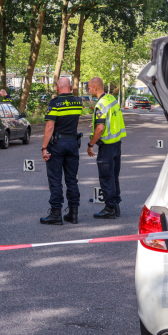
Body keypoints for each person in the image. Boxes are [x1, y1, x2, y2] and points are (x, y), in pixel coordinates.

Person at [40, 77, 83, 225]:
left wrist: (44, 147)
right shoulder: (78, 102)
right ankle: (73, 213)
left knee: (55, 179)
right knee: (72, 180)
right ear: (70, 88)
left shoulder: (55, 103)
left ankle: (56, 214)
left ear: (57, 88)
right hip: (73, 143)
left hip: (57, 144)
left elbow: (50, 127)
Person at [87, 76, 126, 219]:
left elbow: (100, 128)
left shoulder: (100, 104)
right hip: (116, 144)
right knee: (114, 177)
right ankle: (116, 205)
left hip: (107, 148)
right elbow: (111, 119)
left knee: (106, 178)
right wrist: (95, 123)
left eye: (89, 88)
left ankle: (109, 209)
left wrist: (91, 144)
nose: (88, 90)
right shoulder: (111, 99)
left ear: (95, 87)